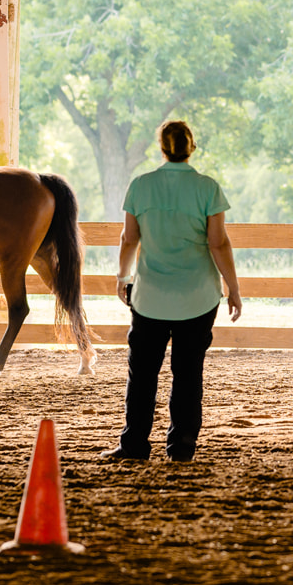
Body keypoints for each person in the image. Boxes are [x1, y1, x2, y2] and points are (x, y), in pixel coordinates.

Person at [102, 120, 243, 463]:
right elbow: (219, 243)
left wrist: (123, 276)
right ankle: (181, 446)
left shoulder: (140, 186)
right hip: (197, 297)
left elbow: (129, 239)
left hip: (150, 296)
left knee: (143, 375)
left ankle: (134, 444)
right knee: (189, 372)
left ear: (162, 148)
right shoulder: (208, 188)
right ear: (191, 148)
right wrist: (233, 287)